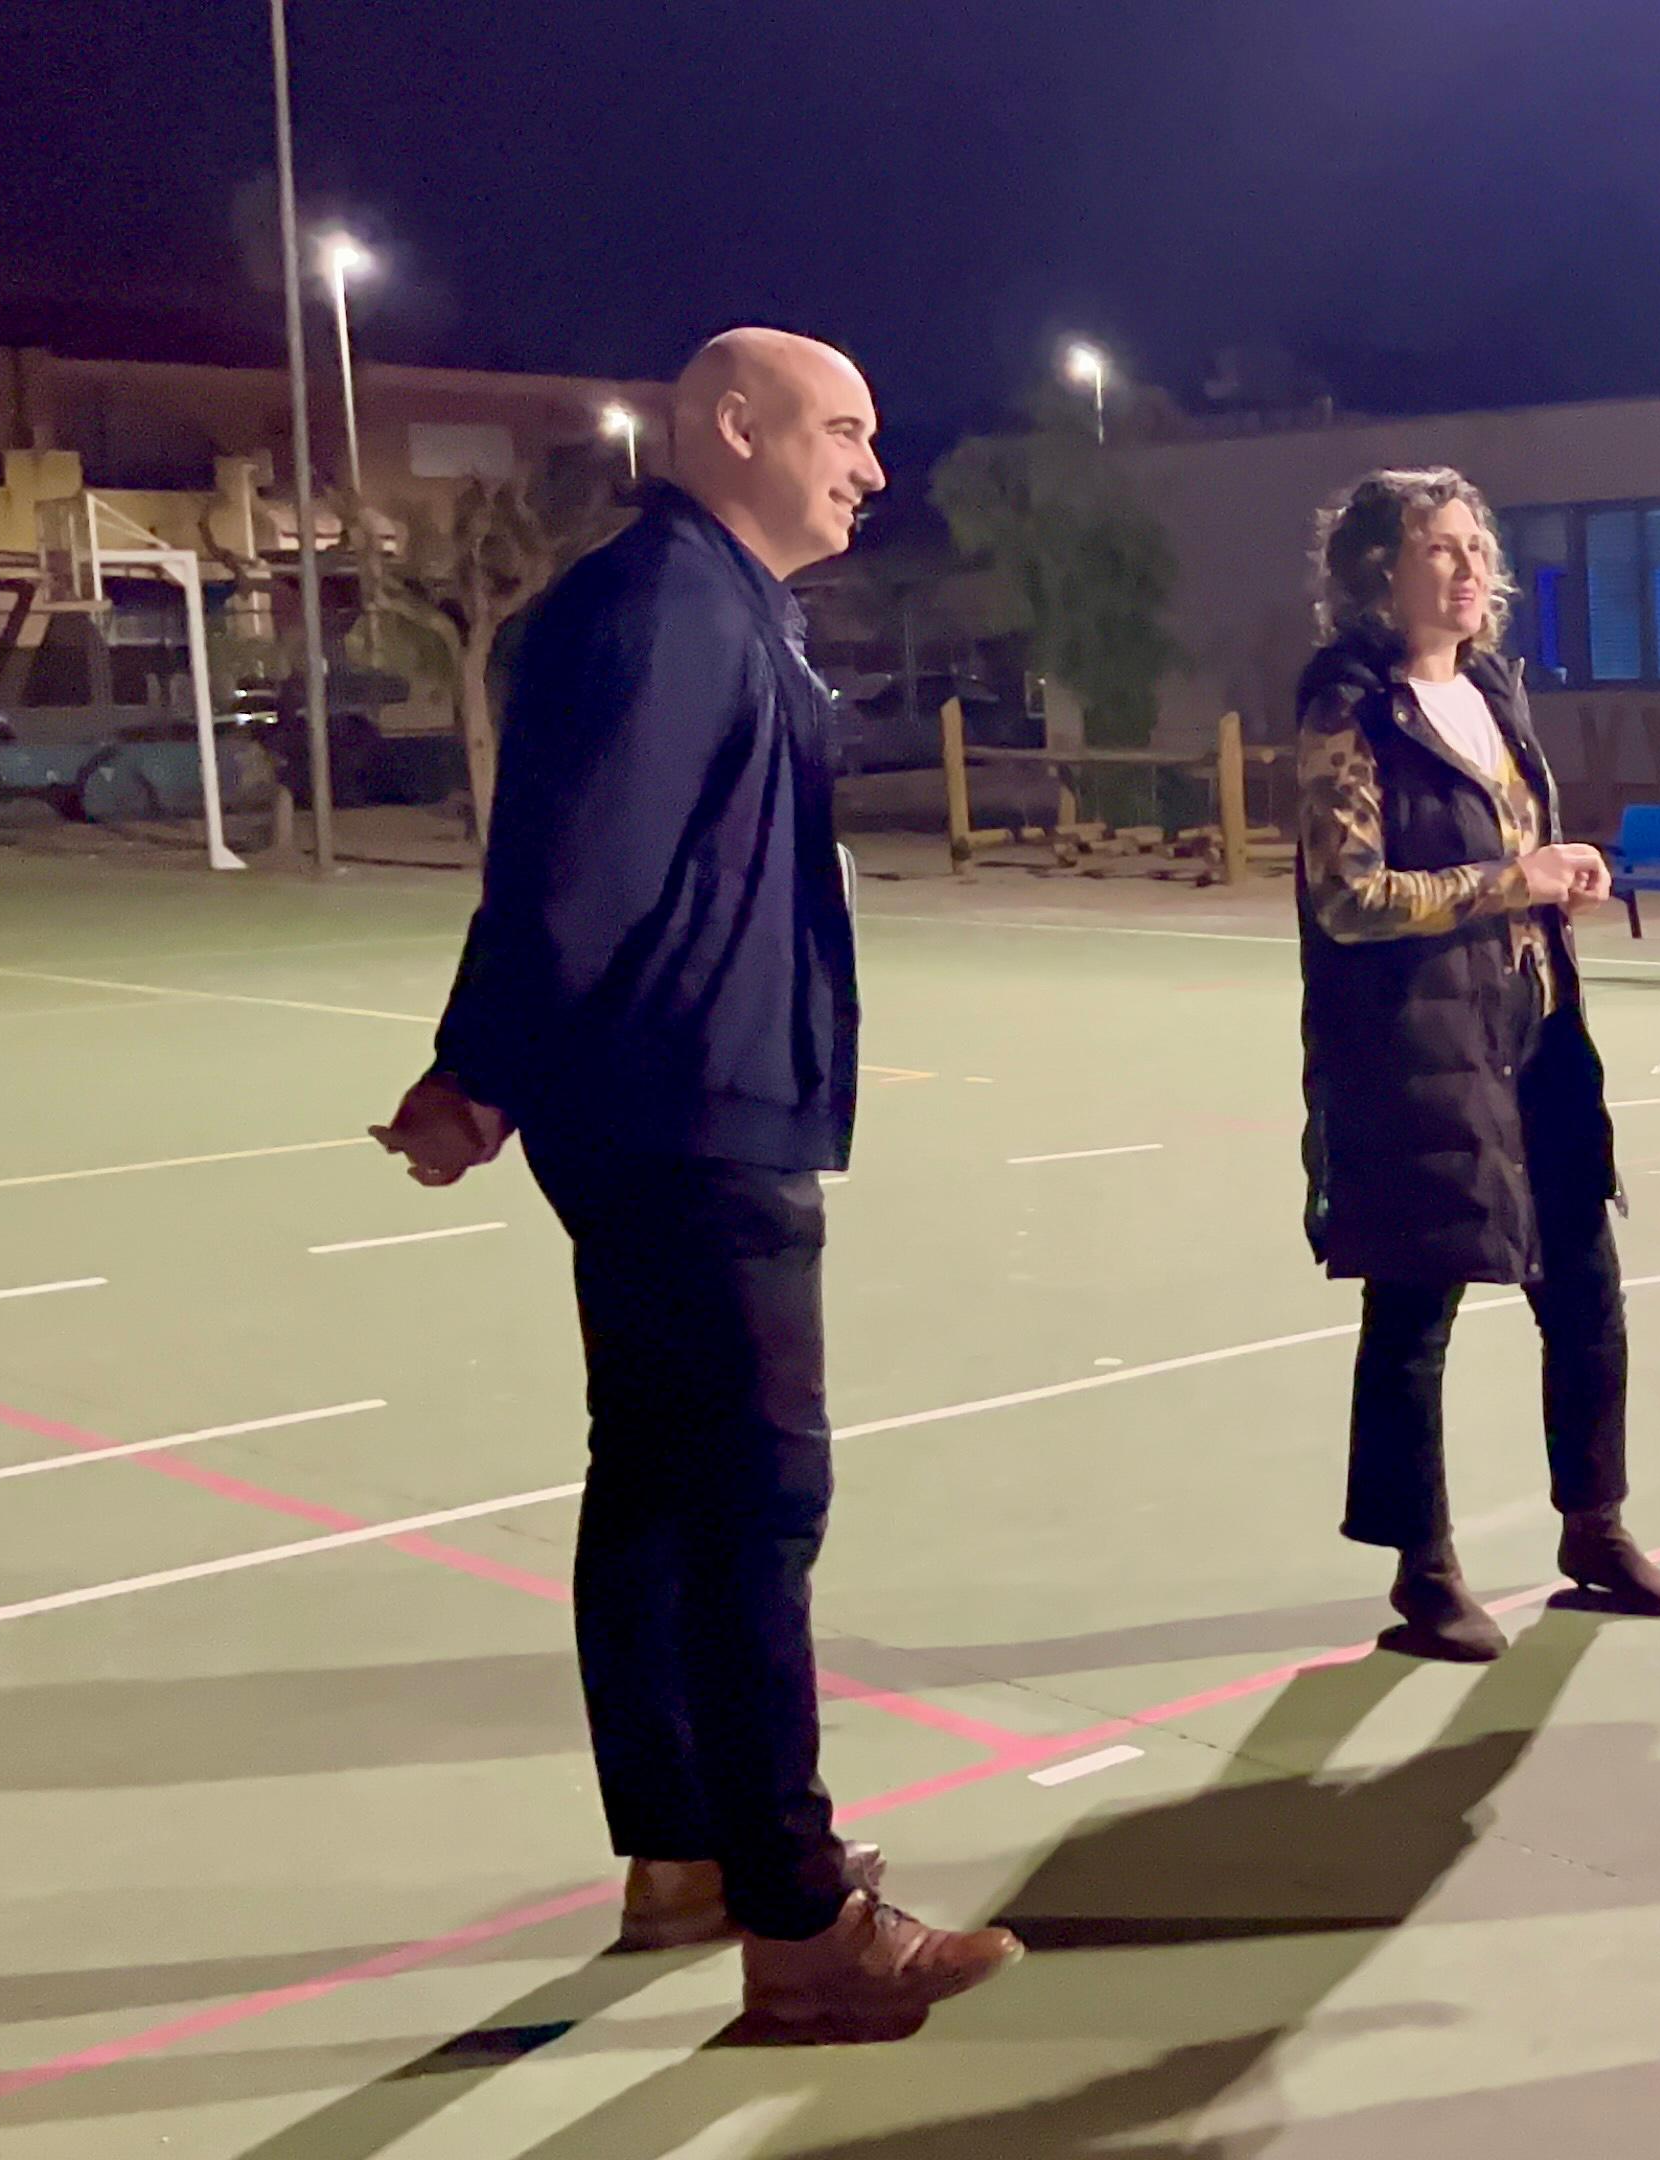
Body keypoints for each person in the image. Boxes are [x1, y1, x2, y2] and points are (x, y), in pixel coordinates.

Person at [371, 328, 1019, 2044]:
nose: (873, 469)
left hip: (679, 1103)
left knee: (657, 1484)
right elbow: (583, 862)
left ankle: (683, 1856)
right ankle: (804, 1925)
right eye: (846, 431)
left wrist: (500, 1065)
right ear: (734, 428)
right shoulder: (670, 606)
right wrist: (481, 1070)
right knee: (752, 1504)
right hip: (691, 1117)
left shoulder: (717, 602)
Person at [1292, 468, 1660, 1663]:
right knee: (1415, 1304)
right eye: (1441, 550)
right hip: (1416, 1044)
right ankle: (1425, 1573)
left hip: (1535, 1031)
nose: (1472, 571)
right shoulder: (1347, 710)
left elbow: (1514, 853)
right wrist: (1509, 883)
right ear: (1380, 570)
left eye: (1478, 549)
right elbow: (1349, 897)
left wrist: (1559, 872)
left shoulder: (1490, 693)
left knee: (1584, 1283)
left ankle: (1595, 1528)